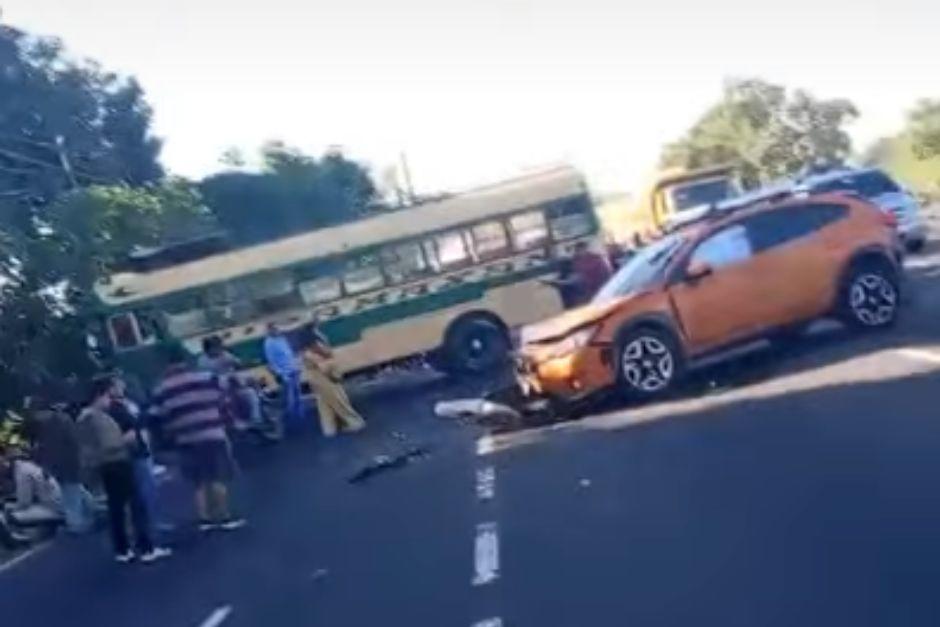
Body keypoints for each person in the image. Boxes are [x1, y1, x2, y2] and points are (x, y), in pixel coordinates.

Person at [151, 344, 245, 532]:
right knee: (217, 477)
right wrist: (230, 421)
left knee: (199, 482)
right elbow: (227, 395)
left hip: (185, 440)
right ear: (185, 361)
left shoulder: (161, 389)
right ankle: (224, 517)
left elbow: (157, 416)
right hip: (212, 435)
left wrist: (171, 432)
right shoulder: (208, 378)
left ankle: (205, 520)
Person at [78, 377, 170, 564]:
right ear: (99, 396)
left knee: (116, 507)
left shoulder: (83, 418)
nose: (109, 401)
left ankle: (122, 549)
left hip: (104, 465)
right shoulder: (98, 418)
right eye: (107, 397)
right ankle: (146, 547)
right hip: (117, 462)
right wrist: (126, 440)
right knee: (135, 504)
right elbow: (110, 443)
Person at [31, 399, 95, 534]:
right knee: (75, 491)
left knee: (71, 495)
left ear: (44, 411)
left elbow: (73, 442)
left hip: (68, 464)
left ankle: (75, 524)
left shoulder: (60, 421)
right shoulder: (49, 424)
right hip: (62, 465)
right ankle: (93, 511)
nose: (36, 418)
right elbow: (46, 448)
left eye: (37, 414)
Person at [108, 375, 160, 539]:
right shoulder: (115, 409)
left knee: (147, 491)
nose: (121, 387)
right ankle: (143, 532)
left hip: (141, 451)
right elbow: (130, 430)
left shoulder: (127, 404)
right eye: (117, 385)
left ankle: (149, 526)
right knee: (141, 494)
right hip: (134, 454)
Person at [299, 322, 366, 437]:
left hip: (315, 379)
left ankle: (329, 428)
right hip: (323, 378)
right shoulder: (314, 347)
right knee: (338, 400)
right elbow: (323, 365)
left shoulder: (306, 349)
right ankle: (355, 422)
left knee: (324, 404)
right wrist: (335, 375)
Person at [199, 335, 266, 432]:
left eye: (219, 346)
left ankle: (257, 416)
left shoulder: (224, 355)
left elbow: (238, 364)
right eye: (216, 347)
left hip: (233, 385)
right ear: (209, 349)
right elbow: (205, 379)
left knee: (250, 392)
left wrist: (239, 369)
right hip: (217, 390)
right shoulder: (203, 362)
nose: (219, 349)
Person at [1, 450, 62, 527]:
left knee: (10, 516)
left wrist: (7, 506)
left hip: (50, 508)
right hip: (48, 503)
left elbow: (24, 503)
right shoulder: (25, 466)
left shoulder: (22, 473)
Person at [263, 322, 304, 428]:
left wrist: (297, 365)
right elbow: (272, 362)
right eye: (274, 329)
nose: (277, 330)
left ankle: (300, 418)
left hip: (293, 370)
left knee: (298, 395)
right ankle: (290, 422)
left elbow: (289, 352)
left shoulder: (281, 338)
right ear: (269, 331)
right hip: (285, 374)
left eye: (277, 328)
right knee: (289, 400)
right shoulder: (269, 343)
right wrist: (281, 375)